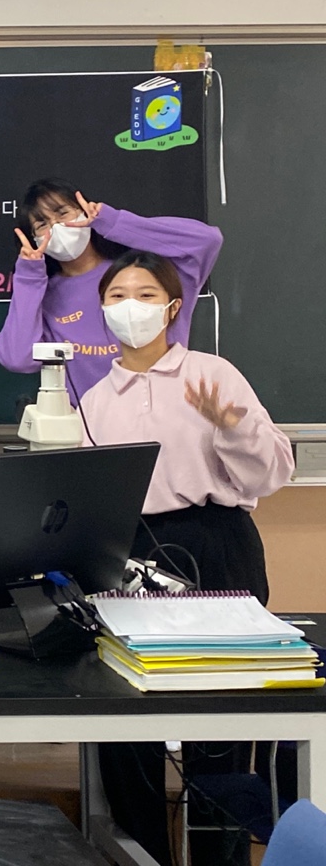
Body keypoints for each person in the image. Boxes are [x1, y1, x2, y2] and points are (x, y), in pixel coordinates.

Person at [80, 251, 293, 866]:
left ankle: (221, 854)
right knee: (127, 717)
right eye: (117, 295)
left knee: (218, 716)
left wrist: (233, 427)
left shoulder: (212, 373)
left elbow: (272, 474)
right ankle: (141, 852)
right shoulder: (93, 399)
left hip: (215, 543)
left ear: (174, 307)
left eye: (146, 295)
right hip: (129, 554)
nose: (131, 307)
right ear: (101, 309)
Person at [0, 177, 223, 401]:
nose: (57, 227)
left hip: (171, 411)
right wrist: (29, 276)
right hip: (92, 422)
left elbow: (207, 240)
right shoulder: (46, 297)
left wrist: (110, 221)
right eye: (42, 224)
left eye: (63, 213)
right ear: (32, 238)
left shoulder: (149, 270)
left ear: (84, 211)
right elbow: (18, 358)